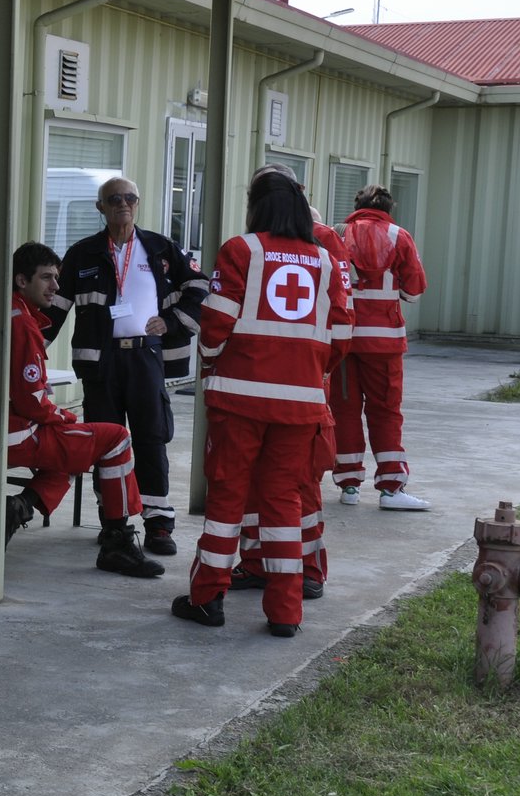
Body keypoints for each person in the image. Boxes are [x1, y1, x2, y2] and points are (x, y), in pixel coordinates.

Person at [170, 169, 352, 637]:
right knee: (283, 505)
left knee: (228, 499)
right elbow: (342, 335)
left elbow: (215, 323)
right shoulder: (326, 261)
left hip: (239, 401)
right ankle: (286, 613)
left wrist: (213, 363)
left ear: (257, 207)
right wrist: (311, 371)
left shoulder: (241, 250)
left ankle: (207, 597)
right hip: (300, 406)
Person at [0, 241, 163, 577]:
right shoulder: (21, 323)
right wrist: (63, 416)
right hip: (10, 436)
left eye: (57, 278)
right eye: (47, 278)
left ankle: (21, 506)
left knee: (76, 447)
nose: (56, 287)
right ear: (22, 281)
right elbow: (31, 401)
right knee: (116, 438)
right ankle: (117, 541)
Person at [46, 176, 208, 557]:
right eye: (114, 199)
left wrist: (171, 322)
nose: (123, 204)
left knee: (152, 437)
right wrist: (26, 349)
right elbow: (53, 310)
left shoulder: (160, 248)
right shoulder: (82, 253)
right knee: (106, 443)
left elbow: (201, 287)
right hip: (100, 363)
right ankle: (114, 523)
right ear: (100, 207)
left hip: (145, 357)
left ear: (138, 204)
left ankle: (158, 522)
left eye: (130, 198)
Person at [230, 185, 354, 602]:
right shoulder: (262, 252)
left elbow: (341, 330)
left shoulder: (322, 257)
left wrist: (313, 371)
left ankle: (307, 570)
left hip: (302, 397)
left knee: (299, 488)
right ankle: (256, 563)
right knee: (261, 488)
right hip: (285, 391)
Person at [330, 183, 430, 511]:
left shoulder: (337, 233)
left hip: (343, 338)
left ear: (357, 205)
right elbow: (414, 292)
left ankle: (348, 486)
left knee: (344, 410)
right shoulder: (399, 236)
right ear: (389, 209)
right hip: (384, 343)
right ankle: (390, 488)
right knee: (385, 412)